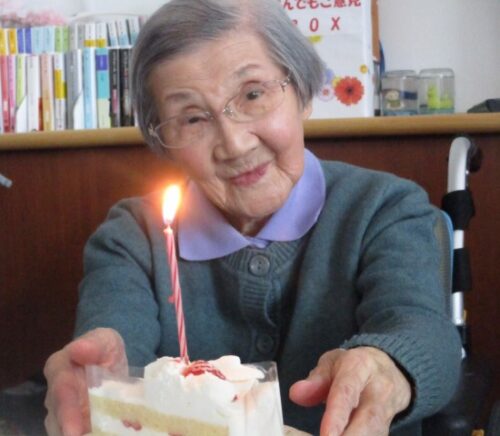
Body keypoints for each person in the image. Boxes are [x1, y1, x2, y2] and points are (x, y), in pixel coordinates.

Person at [43, 0, 462, 435]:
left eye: (253, 95)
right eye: (192, 118)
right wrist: (100, 381)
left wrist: (386, 364)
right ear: (164, 141)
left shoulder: (384, 207)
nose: (235, 144)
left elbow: (421, 328)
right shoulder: (131, 237)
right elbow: (114, 347)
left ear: (302, 92)